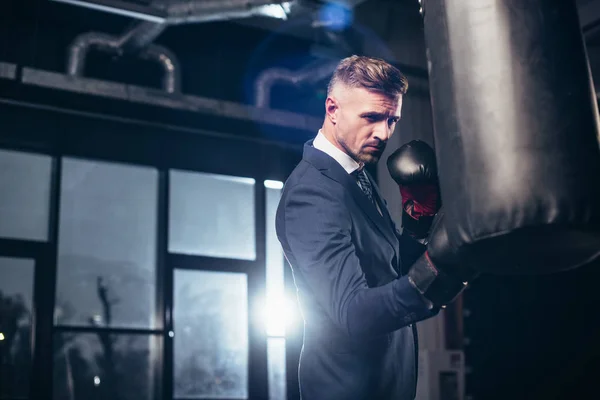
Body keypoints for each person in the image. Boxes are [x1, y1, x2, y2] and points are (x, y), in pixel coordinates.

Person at [275, 55, 473, 400]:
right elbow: (354, 312)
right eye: (371, 117)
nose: (383, 133)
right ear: (332, 109)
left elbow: (389, 270)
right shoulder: (311, 194)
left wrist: (418, 219)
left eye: (391, 120)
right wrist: (440, 271)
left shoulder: (354, 174)